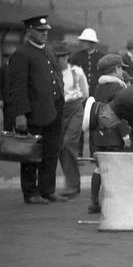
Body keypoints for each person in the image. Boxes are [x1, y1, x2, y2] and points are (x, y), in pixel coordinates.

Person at [7, 15, 66, 204]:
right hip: (34, 113)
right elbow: (17, 87)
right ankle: (31, 192)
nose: (45, 33)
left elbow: (56, 77)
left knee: (51, 152)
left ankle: (47, 190)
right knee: (30, 153)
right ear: (29, 31)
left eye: (46, 30)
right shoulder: (22, 54)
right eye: (40, 31)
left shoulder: (48, 51)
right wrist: (20, 114)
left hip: (53, 110)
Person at [87, 54, 132, 214]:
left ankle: (93, 202)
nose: (122, 72)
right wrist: (125, 135)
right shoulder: (118, 88)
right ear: (115, 69)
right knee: (114, 168)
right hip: (114, 136)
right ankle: (112, 204)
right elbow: (120, 113)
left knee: (99, 167)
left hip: (100, 136)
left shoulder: (99, 87)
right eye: (121, 68)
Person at [54, 41, 89, 198]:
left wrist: (77, 108)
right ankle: (72, 184)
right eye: (58, 57)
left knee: (69, 143)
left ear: (68, 57)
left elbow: (85, 93)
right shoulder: (52, 73)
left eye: (63, 56)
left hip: (75, 109)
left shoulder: (77, 71)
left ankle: (73, 185)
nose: (61, 60)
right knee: (61, 146)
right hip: (59, 111)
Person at [70, 28, 103, 156]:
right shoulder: (75, 57)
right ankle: (77, 154)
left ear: (94, 43)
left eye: (88, 41)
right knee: (79, 125)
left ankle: (94, 154)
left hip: (96, 96)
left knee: (94, 125)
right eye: (84, 41)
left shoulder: (101, 57)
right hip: (80, 96)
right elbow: (71, 75)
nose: (86, 43)